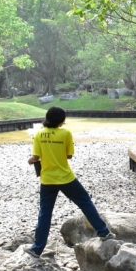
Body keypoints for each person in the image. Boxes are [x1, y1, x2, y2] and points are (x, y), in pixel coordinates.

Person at [26, 106, 112, 257]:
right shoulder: (65, 134)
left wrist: (31, 160)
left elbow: (35, 157)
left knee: (45, 213)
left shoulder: (39, 134)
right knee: (85, 202)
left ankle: (37, 248)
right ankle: (103, 232)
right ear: (62, 120)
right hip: (66, 177)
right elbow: (69, 155)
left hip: (47, 179)